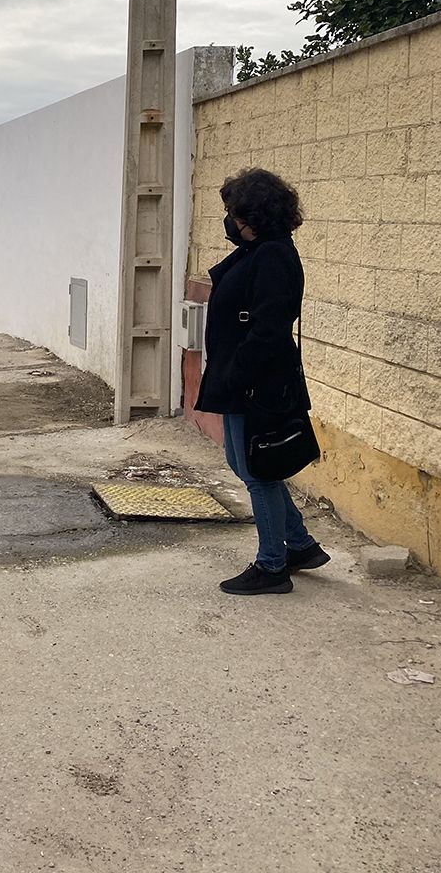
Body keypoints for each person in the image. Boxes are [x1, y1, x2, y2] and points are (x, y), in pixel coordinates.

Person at [195, 167, 329, 595]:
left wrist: (238, 375)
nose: (230, 220)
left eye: (235, 212)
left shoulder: (273, 256)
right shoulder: (256, 251)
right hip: (242, 378)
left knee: (258, 472)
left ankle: (273, 566)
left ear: (256, 215)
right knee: (244, 464)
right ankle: (302, 546)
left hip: (257, 382)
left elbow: (268, 328)